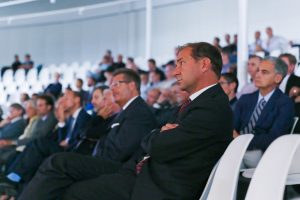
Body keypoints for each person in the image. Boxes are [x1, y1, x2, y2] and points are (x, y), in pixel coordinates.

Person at [18, 42, 233, 200]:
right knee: (58, 163)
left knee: (72, 189)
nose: (175, 71)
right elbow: (155, 139)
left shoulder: (211, 106)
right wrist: (160, 134)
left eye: (181, 63)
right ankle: (14, 183)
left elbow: (158, 145)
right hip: (140, 172)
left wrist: (159, 136)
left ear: (204, 64)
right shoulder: (198, 103)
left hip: (155, 185)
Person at [234, 57, 294, 169]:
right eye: (258, 70)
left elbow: (275, 137)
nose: (257, 75)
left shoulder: (285, 103)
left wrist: (242, 141)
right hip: (237, 147)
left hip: (263, 152)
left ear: (277, 78)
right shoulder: (245, 99)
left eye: (264, 72)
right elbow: (232, 127)